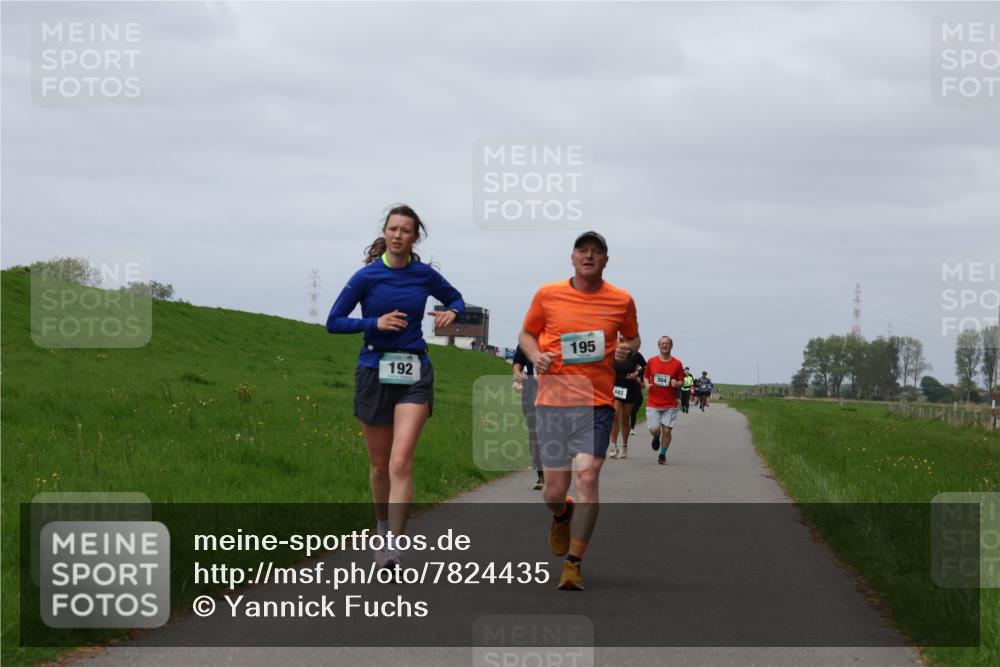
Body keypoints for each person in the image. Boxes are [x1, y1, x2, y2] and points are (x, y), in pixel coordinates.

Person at [326, 204, 464, 568]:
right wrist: (373, 322)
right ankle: (382, 526)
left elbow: (456, 298)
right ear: (384, 233)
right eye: (393, 228)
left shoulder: (423, 275)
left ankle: (392, 548)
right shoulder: (366, 277)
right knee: (379, 464)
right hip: (373, 369)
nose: (399, 235)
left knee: (401, 462)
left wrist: (452, 311)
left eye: (406, 230)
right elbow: (334, 321)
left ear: (415, 237)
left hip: (414, 369)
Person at [519, 231, 640, 591]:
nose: (589, 256)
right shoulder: (547, 294)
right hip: (554, 402)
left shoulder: (621, 300)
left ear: (605, 261)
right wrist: (534, 355)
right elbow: (526, 334)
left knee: (587, 477)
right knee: (554, 491)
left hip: (596, 402)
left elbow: (633, 337)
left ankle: (573, 563)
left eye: (596, 252)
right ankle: (562, 514)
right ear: (572, 258)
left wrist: (627, 350)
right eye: (582, 251)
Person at [643, 336, 685, 465]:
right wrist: (646, 385)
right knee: (655, 430)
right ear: (658, 346)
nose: (665, 345)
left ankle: (662, 454)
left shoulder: (677, 364)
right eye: (662, 343)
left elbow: (681, 381)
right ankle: (656, 437)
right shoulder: (651, 361)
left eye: (667, 343)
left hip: (670, 404)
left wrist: (676, 384)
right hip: (653, 403)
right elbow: (645, 377)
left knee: (667, 430)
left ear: (671, 346)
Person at [512, 344, 543, 490]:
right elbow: (517, 363)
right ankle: (541, 474)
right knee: (534, 431)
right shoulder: (526, 342)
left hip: (553, 387)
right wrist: (517, 373)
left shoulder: (555, 336)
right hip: (531, 388)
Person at [609, 334, 644, 459]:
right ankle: (613, 446)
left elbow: (646, 367)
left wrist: (636, 373)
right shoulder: (613, 353)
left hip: (630, 388)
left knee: (625, 419)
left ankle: (624, 447)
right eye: (620, 338)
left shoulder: (635, 355)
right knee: (614, 416)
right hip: (616, 387)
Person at [629, 355, 647, 434]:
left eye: (638, 364)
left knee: (633, 412)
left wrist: (638, 381)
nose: (637, 366)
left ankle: (632, 429)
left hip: (638, 396)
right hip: (628, 395)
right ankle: (627, 427)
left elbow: (644, 386)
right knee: (626, 413)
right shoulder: (628, 371)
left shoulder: (641, 374)